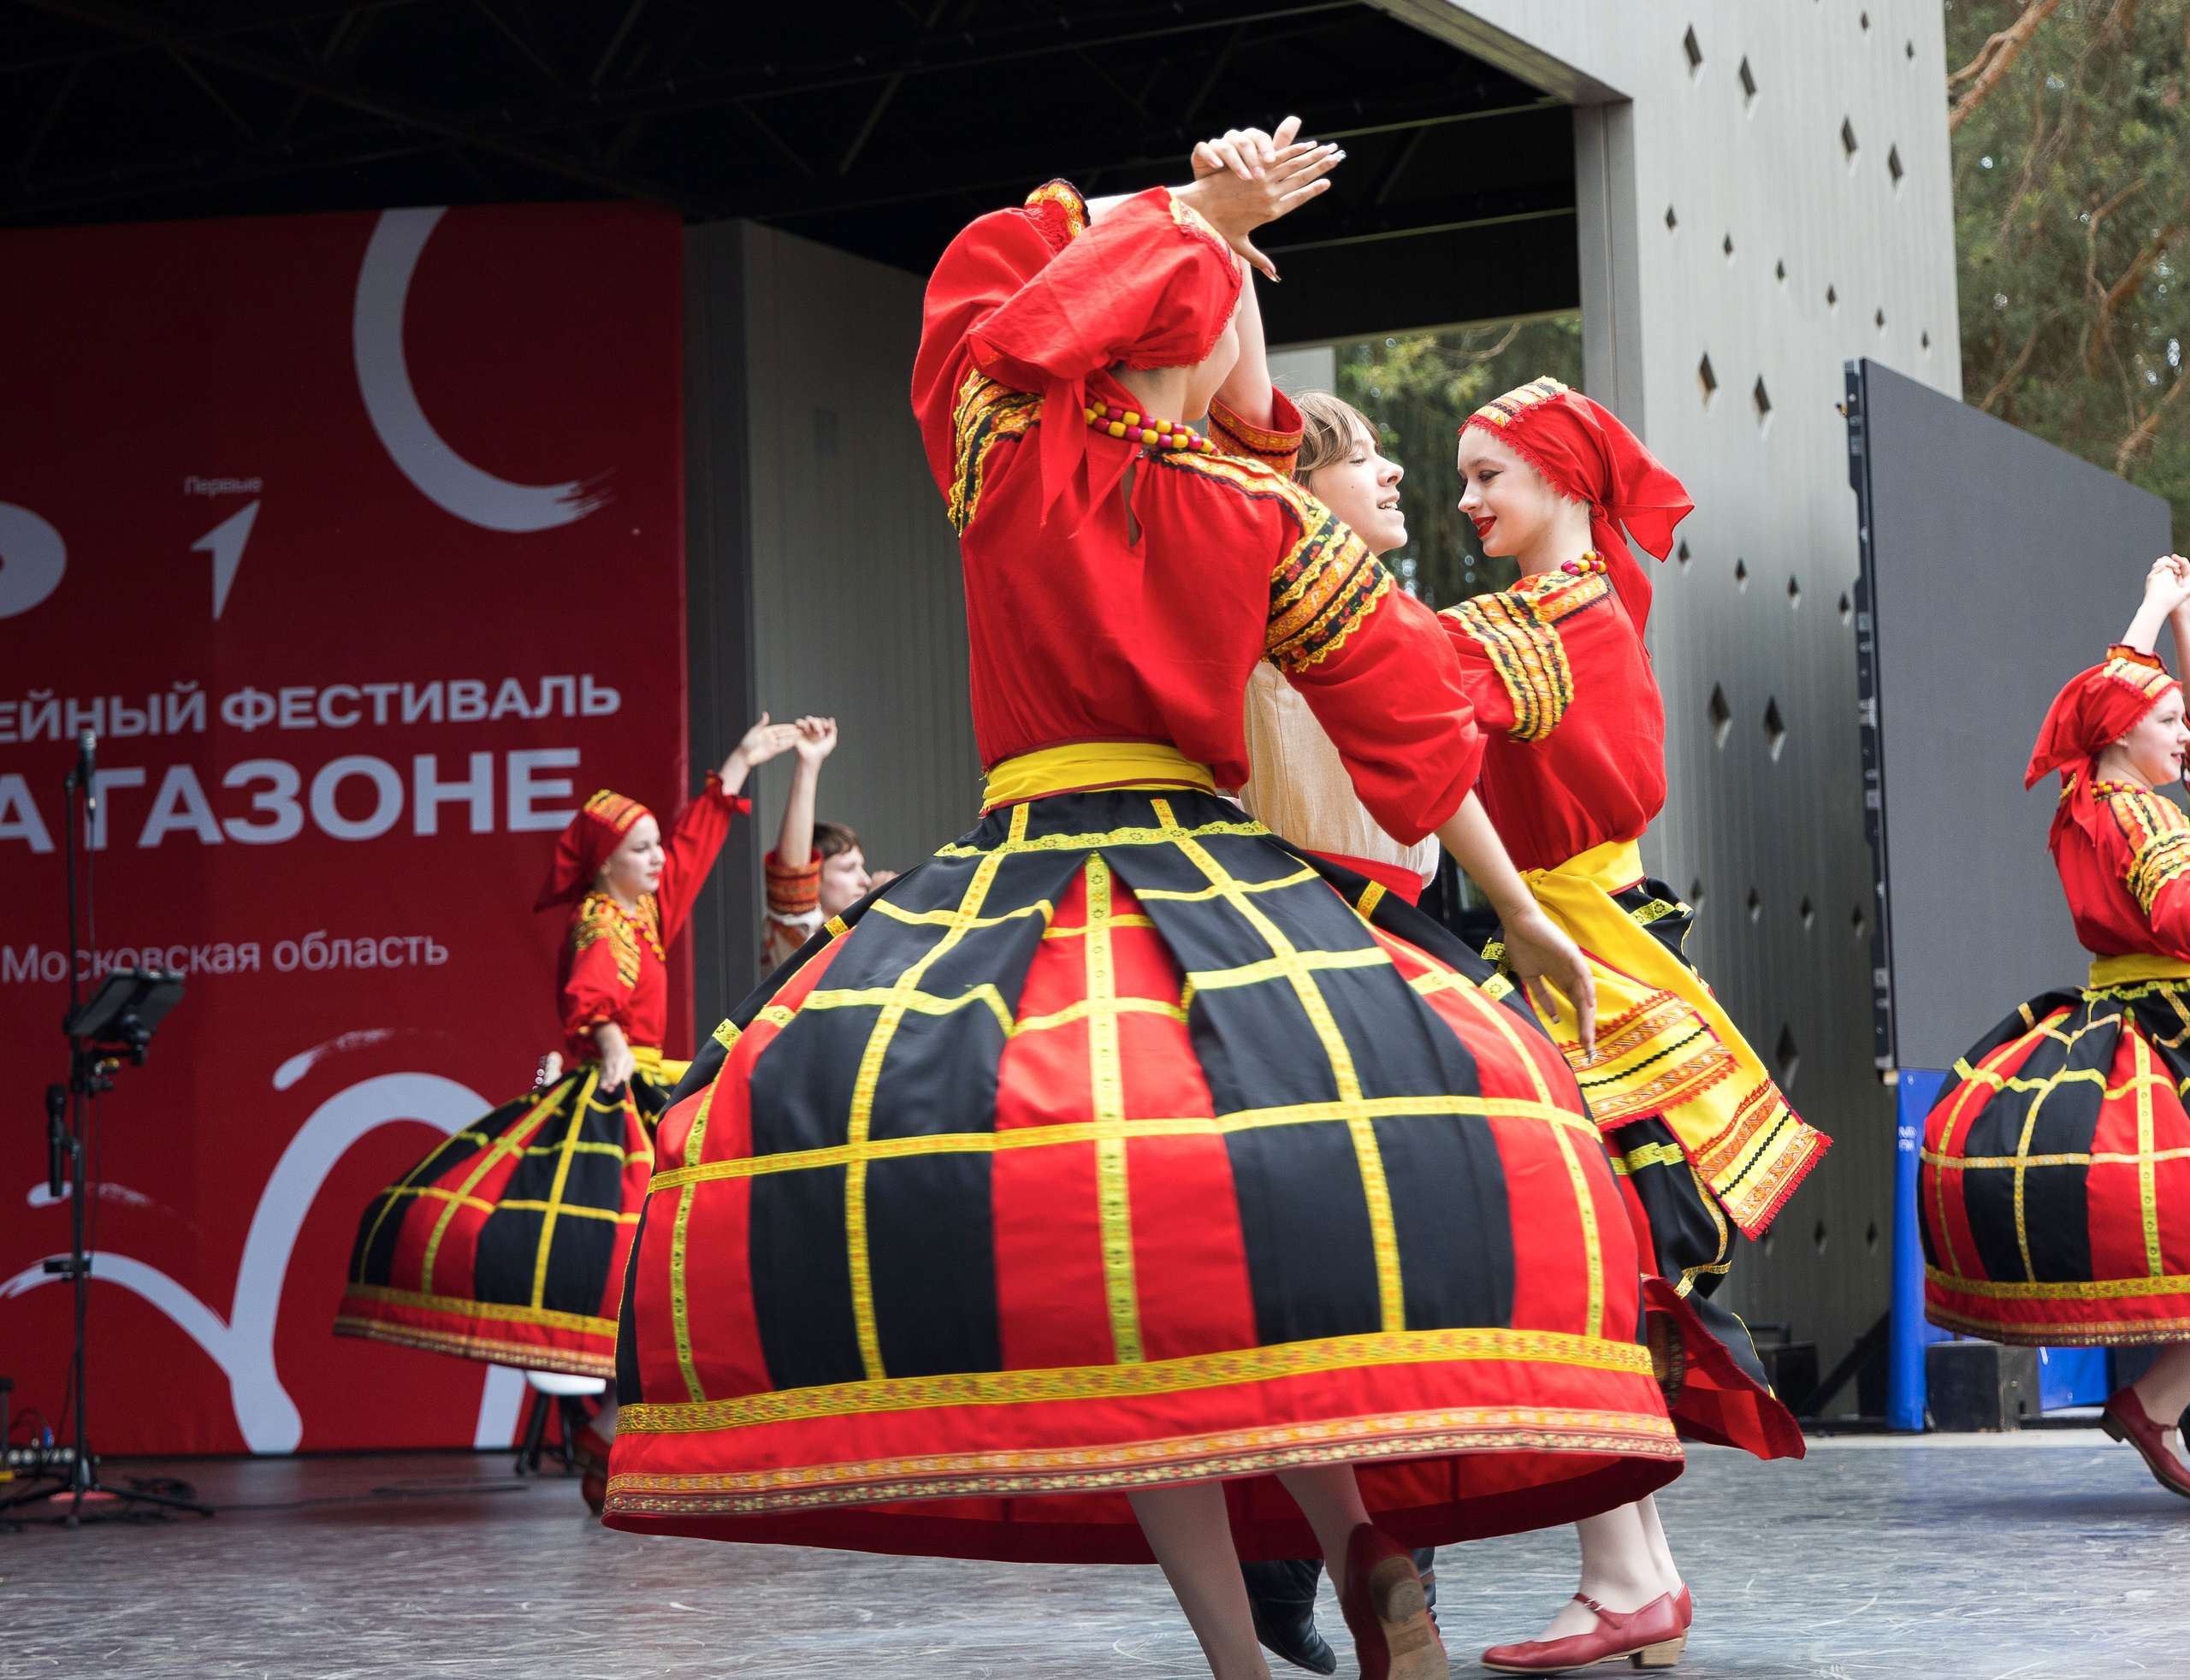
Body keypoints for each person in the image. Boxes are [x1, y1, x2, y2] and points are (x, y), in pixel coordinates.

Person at [602, 128, 1684, 1680]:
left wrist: (1167, 209)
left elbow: (989, 310)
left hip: (1030, 871)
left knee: (1129, 1304)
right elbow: (1413, 734)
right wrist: (1513, 908)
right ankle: (1362, 1535)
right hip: (1226, 887)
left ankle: (1245, 1666)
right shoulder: (1263, 518)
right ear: (1206, 336)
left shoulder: (1010, 455)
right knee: (1256, 1258)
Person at [1435, 376, 1828, 1673]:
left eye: (1490, 476)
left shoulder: (1544, 622)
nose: (1468, 498)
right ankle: (1637, 1576)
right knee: (1595, 1257)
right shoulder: (1582, 609)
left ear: (1559, 482)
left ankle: (1623, 1578)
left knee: (1571, 1261)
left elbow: (1393, 688)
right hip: (1580, 937)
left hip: (1560, 953)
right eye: (1464, 476)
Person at [334, 717, 797, 1511]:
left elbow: (691, 850)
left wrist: (745, 761)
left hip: (650, 1085)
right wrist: (610, 1041)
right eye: (641, 850)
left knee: (671, 1268)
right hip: (616, 1097)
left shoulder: (644, 909)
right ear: (605, 865)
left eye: (655, 847)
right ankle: (615, 1431)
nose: (658, 860)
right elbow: (587, 994)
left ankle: (612, 1433)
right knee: (642, 1268)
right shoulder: (600, 920)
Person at [1921, 556, 2190, 1498]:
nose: (2185, 731)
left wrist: (2160, 606)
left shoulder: (2090, 797)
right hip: (2171, 1016)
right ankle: (2155, 1402)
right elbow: (2182, 919)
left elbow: (2121, 684)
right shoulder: (2149, 824)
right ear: (2124, 733)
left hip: (2123, 1012)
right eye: (2173, 723)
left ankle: (2155, 1401)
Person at [760, 715, 883, 976]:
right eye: (848, 869)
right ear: (813, 881)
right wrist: (809, 763)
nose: (865, 880)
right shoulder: (801, 938)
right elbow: (793, 881)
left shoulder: (861, 930)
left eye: (862, 867)